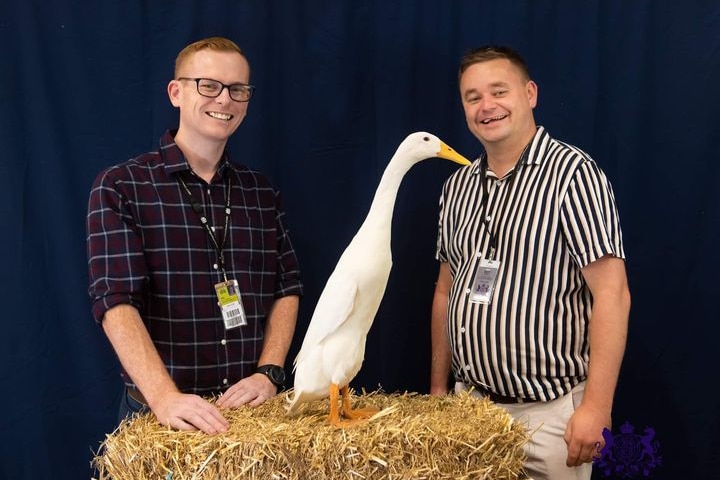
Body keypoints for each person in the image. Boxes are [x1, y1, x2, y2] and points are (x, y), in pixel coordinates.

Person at [430, 46, 630, 480]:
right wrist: (438, 391)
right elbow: (445, 291)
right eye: (473, 96)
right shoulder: (456, 187)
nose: (487, 106)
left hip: (549, 416)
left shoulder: (573, 174)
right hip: (468, 411)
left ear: (530, 93)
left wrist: (596, 406)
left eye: (499, 91)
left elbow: (612, 293)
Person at [87, 37, 303, 435]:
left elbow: (287, 287)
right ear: (176, 92)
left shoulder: (261, 192)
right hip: (161, 420)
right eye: (209, 85)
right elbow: (115, 303)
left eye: (238, 89)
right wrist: (164, 397)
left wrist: (269, 372)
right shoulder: (121, 186)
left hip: (248, 416)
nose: (224, 100)